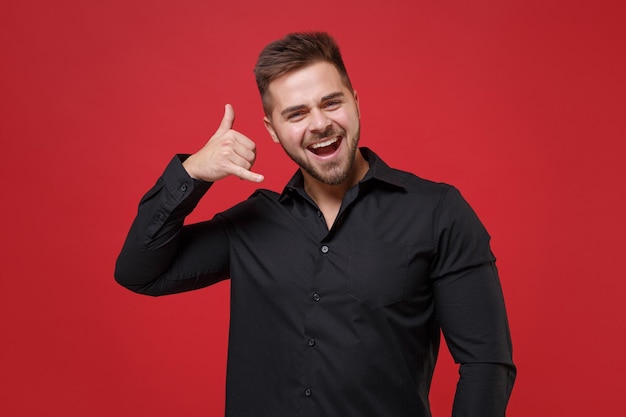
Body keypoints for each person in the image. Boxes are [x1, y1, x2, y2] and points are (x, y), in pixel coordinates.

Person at [115, 32, 516, 417]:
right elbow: (139, 273)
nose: (320, 123)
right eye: (297, 113)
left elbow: (486, 363)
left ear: (356, 103)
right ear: (273, 129)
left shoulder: (437, 212)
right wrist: (192, 174)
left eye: (331, 103)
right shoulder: (251, 223)